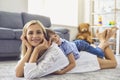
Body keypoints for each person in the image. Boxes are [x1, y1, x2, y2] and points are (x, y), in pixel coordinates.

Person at [46, 28, 117, 75]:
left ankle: (102, 40)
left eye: (55, 36)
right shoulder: (53, 47)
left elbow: (72, 63)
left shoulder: (65, 45)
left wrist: (61, 72)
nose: (56, 39)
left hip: (80, 45)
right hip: (75, 45)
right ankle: (104, 39)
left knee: (100, 54)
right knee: (98, 52)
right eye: (52, 40)